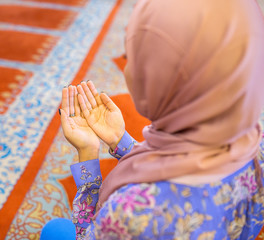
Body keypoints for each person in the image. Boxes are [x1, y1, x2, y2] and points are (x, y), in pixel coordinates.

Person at [41, 0, 264, 239]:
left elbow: (88, 233)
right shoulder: (254, 141)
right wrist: (120, 141)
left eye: (133, 59)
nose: (127, 72)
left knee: (56, 231)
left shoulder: (132, 212)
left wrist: (87, 153)